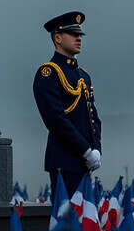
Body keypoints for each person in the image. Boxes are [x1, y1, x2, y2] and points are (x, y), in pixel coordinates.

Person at [33, 11, 101, 202]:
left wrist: (96, 149)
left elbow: (93, 117)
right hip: (64, 159)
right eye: (73, 34)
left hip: (84, 163)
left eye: (80, 34)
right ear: (57, 38)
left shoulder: (83, 75)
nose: (79, 38)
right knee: (67, 223)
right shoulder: (48, 73)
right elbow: (55, 120)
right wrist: (85, 150)